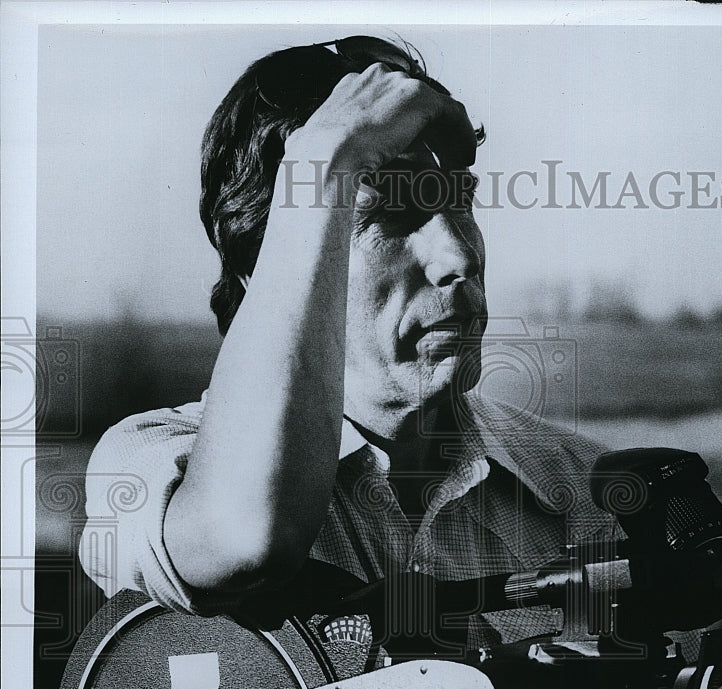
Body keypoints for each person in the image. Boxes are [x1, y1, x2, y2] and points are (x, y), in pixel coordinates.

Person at [79, 35, 616, 651]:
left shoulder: (589, 491)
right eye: (389, 211)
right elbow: (244, 539)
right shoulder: (151, 462)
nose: (458, 257)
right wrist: (325, 162)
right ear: (267, 266)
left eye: (460, 203)